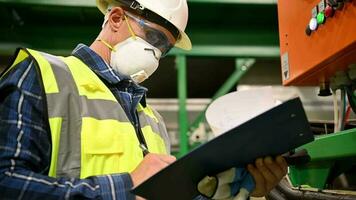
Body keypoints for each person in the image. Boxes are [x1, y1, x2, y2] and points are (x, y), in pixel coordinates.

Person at [0, 0, 288, 199]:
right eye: (153, 38)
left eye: (166, 48)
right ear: (115, 18)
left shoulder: (151, 119)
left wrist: (233, 189)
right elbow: (6, 183)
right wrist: (124, 189)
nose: (157, 54)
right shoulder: (42, 75)